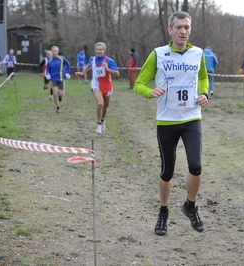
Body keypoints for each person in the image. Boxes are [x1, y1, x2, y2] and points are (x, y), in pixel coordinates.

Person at [134, 11, 209, 236]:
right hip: (166, 120)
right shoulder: (158, 54)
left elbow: (203, 77)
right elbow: (139, 83)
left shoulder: (198, 54)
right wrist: (150, 92)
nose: (183, 31)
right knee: (167, 171)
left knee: (196, 166)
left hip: (191, 118)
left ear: (190, 29)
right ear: (170, 30)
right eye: (178, 27)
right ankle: (163, 213)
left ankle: (190, 206)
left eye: (186, 27)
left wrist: (205, 93)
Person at [75, 42, 119, 134]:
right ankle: (98, 124)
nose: (98, 51)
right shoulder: (92, 59)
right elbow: (88, 66)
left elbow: (117, 73)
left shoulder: (109, 61)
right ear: (95, 50)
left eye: (100, 49)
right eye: (97, 49)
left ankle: (102, 120)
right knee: (100, 103)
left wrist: (107, 69)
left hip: (107, 86)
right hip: (96, 85)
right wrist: (82, 73)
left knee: (105, 107)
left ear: (104, 50)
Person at [46, 46, 71, 113]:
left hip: (61, 78)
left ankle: (59, 95)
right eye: (53, 51)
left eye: (56, 51)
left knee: (61, 94)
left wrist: (67, 73)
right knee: (54, 92)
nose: (54, 52)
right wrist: (48, 74)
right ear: (51, 51)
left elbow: (68, 65)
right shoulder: (50, 60)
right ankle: (57, 107)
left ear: (58, 51)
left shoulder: (62, 58)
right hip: (53, 79)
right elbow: (48, 69)